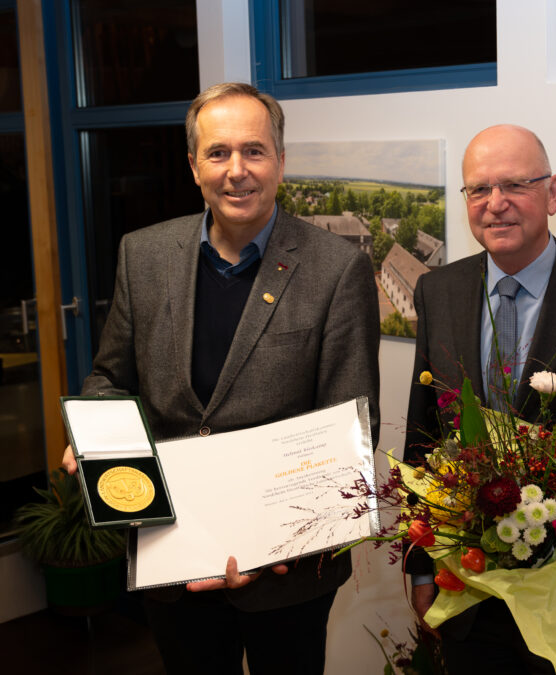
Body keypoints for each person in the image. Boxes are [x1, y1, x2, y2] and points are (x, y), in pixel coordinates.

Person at [61, 82, 381, 674]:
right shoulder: (144, 254)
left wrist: (273, 546)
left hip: (287, 571)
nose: (237, 171)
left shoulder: (338, 269)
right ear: (193, 165)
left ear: (281, 162)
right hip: (170, 550)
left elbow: (351, 424)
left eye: (254, 151)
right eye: (218, 153)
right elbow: (109, 377)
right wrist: (97, 437)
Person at [403, 124, 556, 674]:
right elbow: (422, 438)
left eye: (515, 184)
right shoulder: (437, 291)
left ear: (553, 192)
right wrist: (421, 571)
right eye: (478, 189)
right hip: (465, 594)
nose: (495, 204)